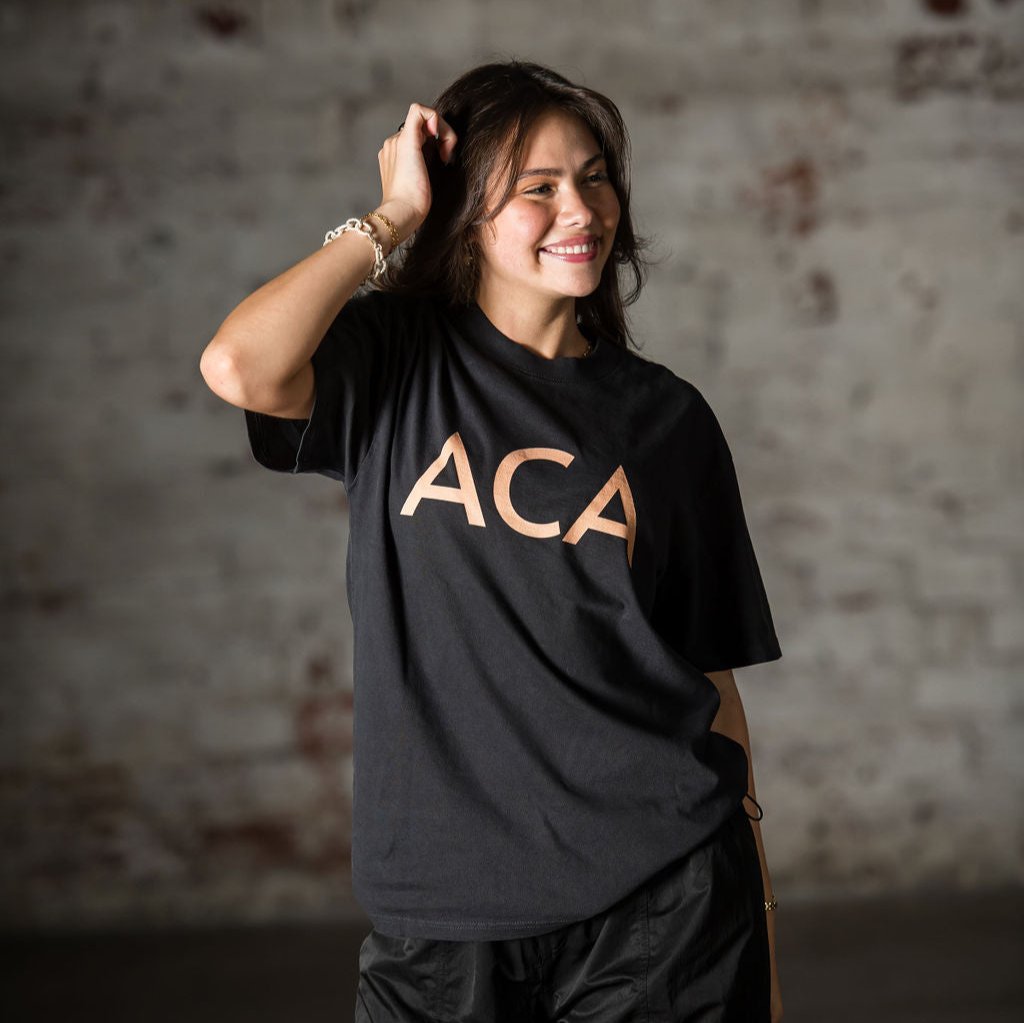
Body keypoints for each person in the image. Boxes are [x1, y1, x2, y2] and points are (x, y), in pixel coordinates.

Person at [200, 59, 785, 1023]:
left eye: (595, 176)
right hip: (439, 911)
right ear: (465, 212)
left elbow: (710, 679)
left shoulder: (668, 420)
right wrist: (390, 217)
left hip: (663, 899)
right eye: (537, 189)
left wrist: (757, 898)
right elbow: (239, 365)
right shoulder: (396, 360)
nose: (581, 209)